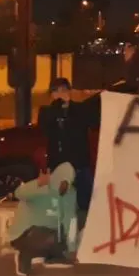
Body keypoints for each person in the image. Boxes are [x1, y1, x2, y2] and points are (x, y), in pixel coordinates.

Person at [37, 77, 94, 229]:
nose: (60, 94)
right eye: (56, 91)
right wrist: (57, 108)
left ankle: (84, 232)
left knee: (84, 204)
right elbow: (45, 130)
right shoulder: (46, 112)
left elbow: (84, 125)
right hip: (58, 166)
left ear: (69, 91)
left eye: (63, 90)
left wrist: (68, 109)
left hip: (79, 165)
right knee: (61, 205)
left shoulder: (80, 110)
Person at [9, 162, 78, 276]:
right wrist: (37, 184)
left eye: (67, 184)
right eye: (62, 182)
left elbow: (70, 219)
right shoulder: (42, 186)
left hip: (48, 233)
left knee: (64, 236)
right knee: (43, 234)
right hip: (25, 234)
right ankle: (24, 257)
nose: (64, 187)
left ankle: (51, 257)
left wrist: (71, 247)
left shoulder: (70, 193)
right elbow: (18, 193)